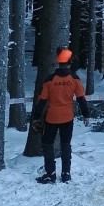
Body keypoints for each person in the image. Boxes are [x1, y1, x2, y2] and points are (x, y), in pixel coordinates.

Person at [31, 48, 89, 184]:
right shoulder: (74, 79)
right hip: (68, 118)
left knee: (47, 144)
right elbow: (81, 98)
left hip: (52, 118)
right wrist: (86, 114)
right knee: (66, 145)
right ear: (70, 63)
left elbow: (42, 101)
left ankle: (50, 173)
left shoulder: (50, 80)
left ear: (58, 62)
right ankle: (66, 174)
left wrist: (36, 117)